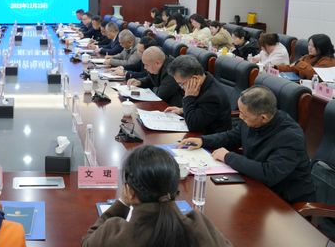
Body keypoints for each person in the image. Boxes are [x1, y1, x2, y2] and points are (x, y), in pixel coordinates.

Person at [179, 86, 315, 204]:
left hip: (284, 201)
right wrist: (203, 141)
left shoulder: (290, 137)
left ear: (263, 118)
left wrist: (228, 157)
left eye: (244, 115)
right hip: (254, 184)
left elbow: (269, 174)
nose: (240, 117)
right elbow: (232, 137)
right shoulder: (253, 119)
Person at [82, 145, 232, 247]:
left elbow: (87, 242)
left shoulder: (115, 235)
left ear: (130, 192)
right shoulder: (200, 227)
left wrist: (122, 203)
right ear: (175, 186)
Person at [165, 55, 231, 134]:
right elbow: (200, 109)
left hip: (211, 137)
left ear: (195, 78)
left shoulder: (212, 97)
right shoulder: (204, 81)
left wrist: (188, 97)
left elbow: (193, 125)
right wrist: (182, 110)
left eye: (181, 84)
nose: (181, 88)